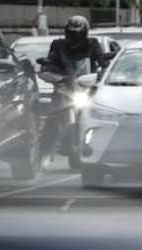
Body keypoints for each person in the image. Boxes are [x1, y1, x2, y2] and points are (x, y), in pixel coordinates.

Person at [40, 16, 112, 165]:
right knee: (52, 117)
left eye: (78, 34)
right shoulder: (58, 45)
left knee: (104, 114)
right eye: (72, 34)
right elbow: (49, 64)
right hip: (65, 88)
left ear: (85, 33)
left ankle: (105, 147)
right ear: (66, 32)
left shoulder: (92, 44)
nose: (75, 38)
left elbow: (102, 61)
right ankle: (43, 152)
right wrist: (54, 75)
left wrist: (104, 68)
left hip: (87, 87)